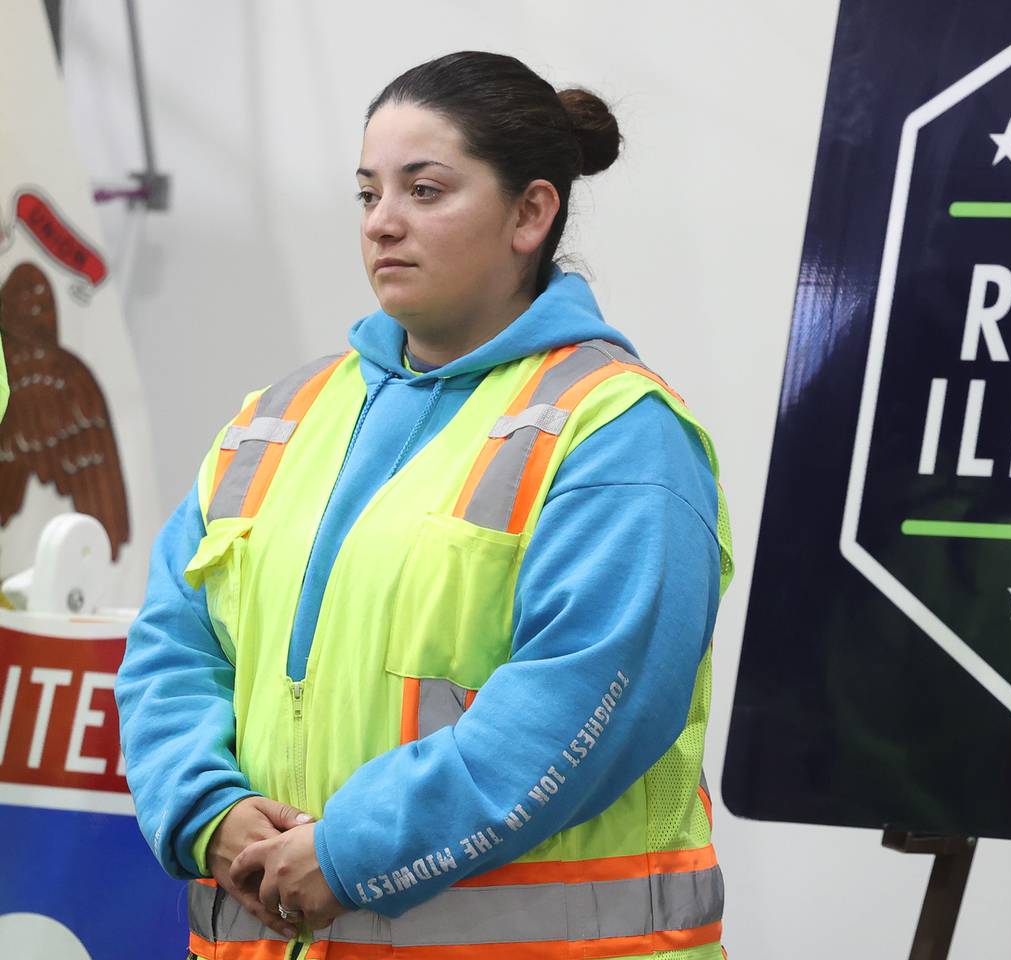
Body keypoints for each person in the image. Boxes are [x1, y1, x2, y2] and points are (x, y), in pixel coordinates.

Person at [116, 51, 732, 959]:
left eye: (426, 190)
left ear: (532, 212)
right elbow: (171, 646)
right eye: (368, 195)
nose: (383, 224)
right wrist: (208, 809)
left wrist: (353, 851)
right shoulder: (281, 417)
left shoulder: (616, 431)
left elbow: (576, 707)